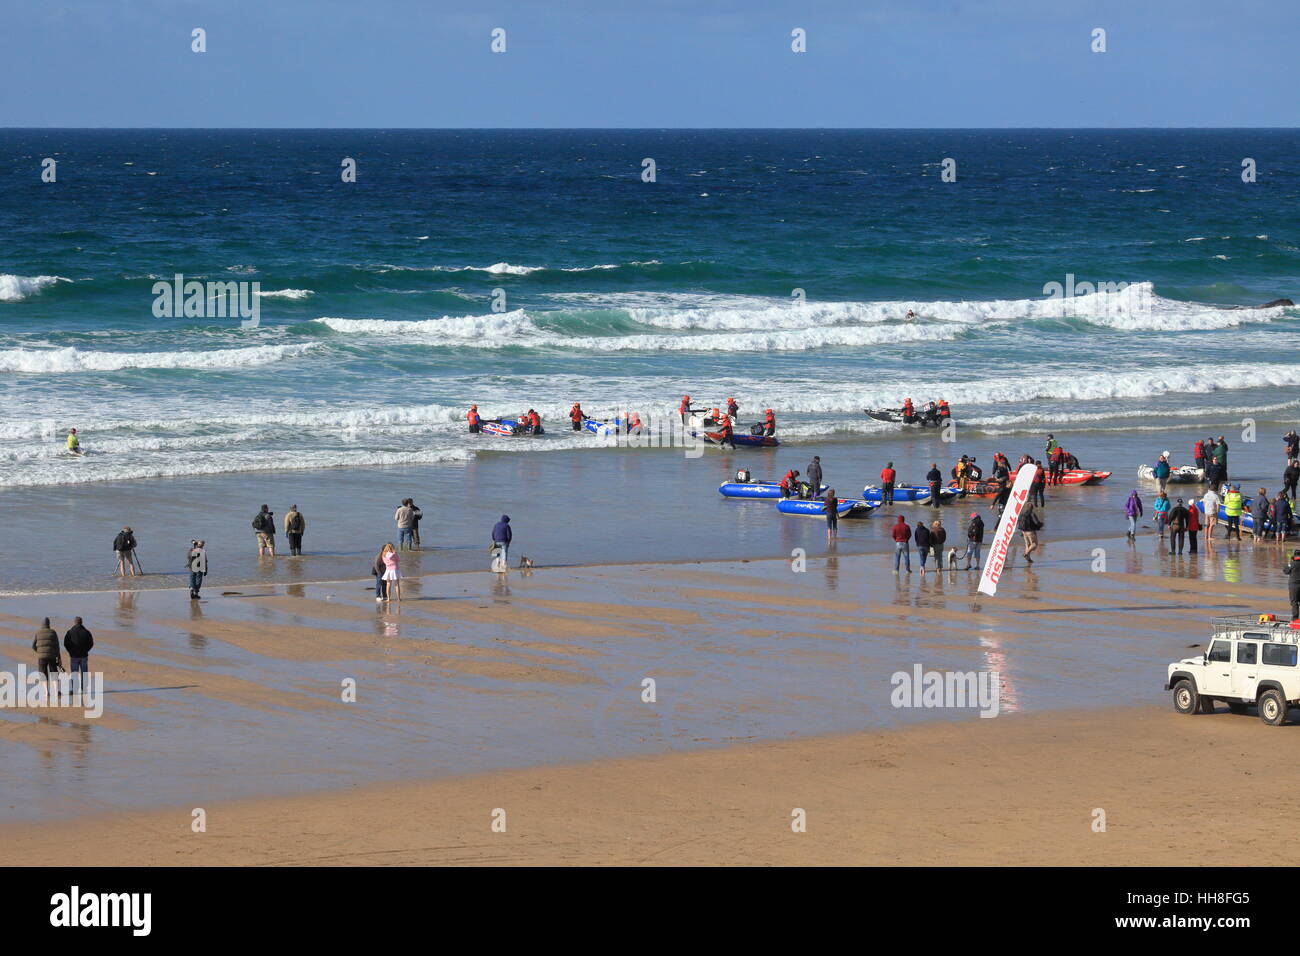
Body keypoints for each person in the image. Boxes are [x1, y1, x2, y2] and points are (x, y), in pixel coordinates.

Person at [63, 616, 93, 693]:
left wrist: (70, 651)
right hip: (83, 656)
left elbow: (66, 643)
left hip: (74, 656)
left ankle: (75, 689)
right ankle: (84, 689)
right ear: (81, 622)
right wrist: (86, 650)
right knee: (84, 673)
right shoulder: (86, 632)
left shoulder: (70, 632)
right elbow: (91, 643)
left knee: (74, 673)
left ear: (75, 622)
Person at [32, 618, 61, 690]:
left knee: (43, 674)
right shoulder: (53, 632)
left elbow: (33, 646)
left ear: (42, 624)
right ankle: (56, 691)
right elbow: (57, 646)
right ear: (49, 624)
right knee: (54, 673)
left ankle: (46, 692)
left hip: (41, 657)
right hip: (52, 656)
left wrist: (39, 652)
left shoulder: (38, 633)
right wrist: (58, 657)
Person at [1286, 549, 1300, 619]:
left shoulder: (1292, 563)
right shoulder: (1293, 563)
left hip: (1293, 585)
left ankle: (1295, 619)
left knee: (1294, 602)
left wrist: (1289, 563)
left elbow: (1286, 571)